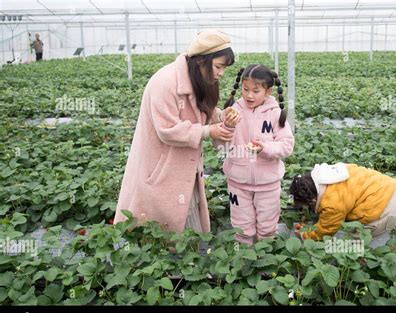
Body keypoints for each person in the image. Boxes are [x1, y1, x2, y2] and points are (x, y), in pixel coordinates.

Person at [114, 30, 239, 235]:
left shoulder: (196, 78)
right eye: (219, 66)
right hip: (162, 168)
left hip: (184, 170)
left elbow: (200, 110)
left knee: (185, 227)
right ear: (201, 61)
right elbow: (168, 129)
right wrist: (208, 131)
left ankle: (186, 261)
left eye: (224, 68)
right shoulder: (165, 82)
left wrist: (221, 116)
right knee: (157, 233)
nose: (221, 73)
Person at [221, 64, 294, 244]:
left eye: (256, 91)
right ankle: (245, 262)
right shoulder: (233, 112)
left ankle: (264, 265)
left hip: (268, 184)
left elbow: (287, 145)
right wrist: (227, 127)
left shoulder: (275, 114)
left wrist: (265, 148)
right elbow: (219, 144)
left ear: (268, 91)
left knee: (268, 227)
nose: (249, 95)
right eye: (246, 90)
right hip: (237, 183)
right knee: (241, 225)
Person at [289, 163, 396, 240]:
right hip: (390, 190)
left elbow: (325, 230)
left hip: (389, 209)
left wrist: (305, 234)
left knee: (354, 241)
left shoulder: (331, 203)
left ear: (313, 200)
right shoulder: (331, 174)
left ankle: (359, 262)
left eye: (306, 206)